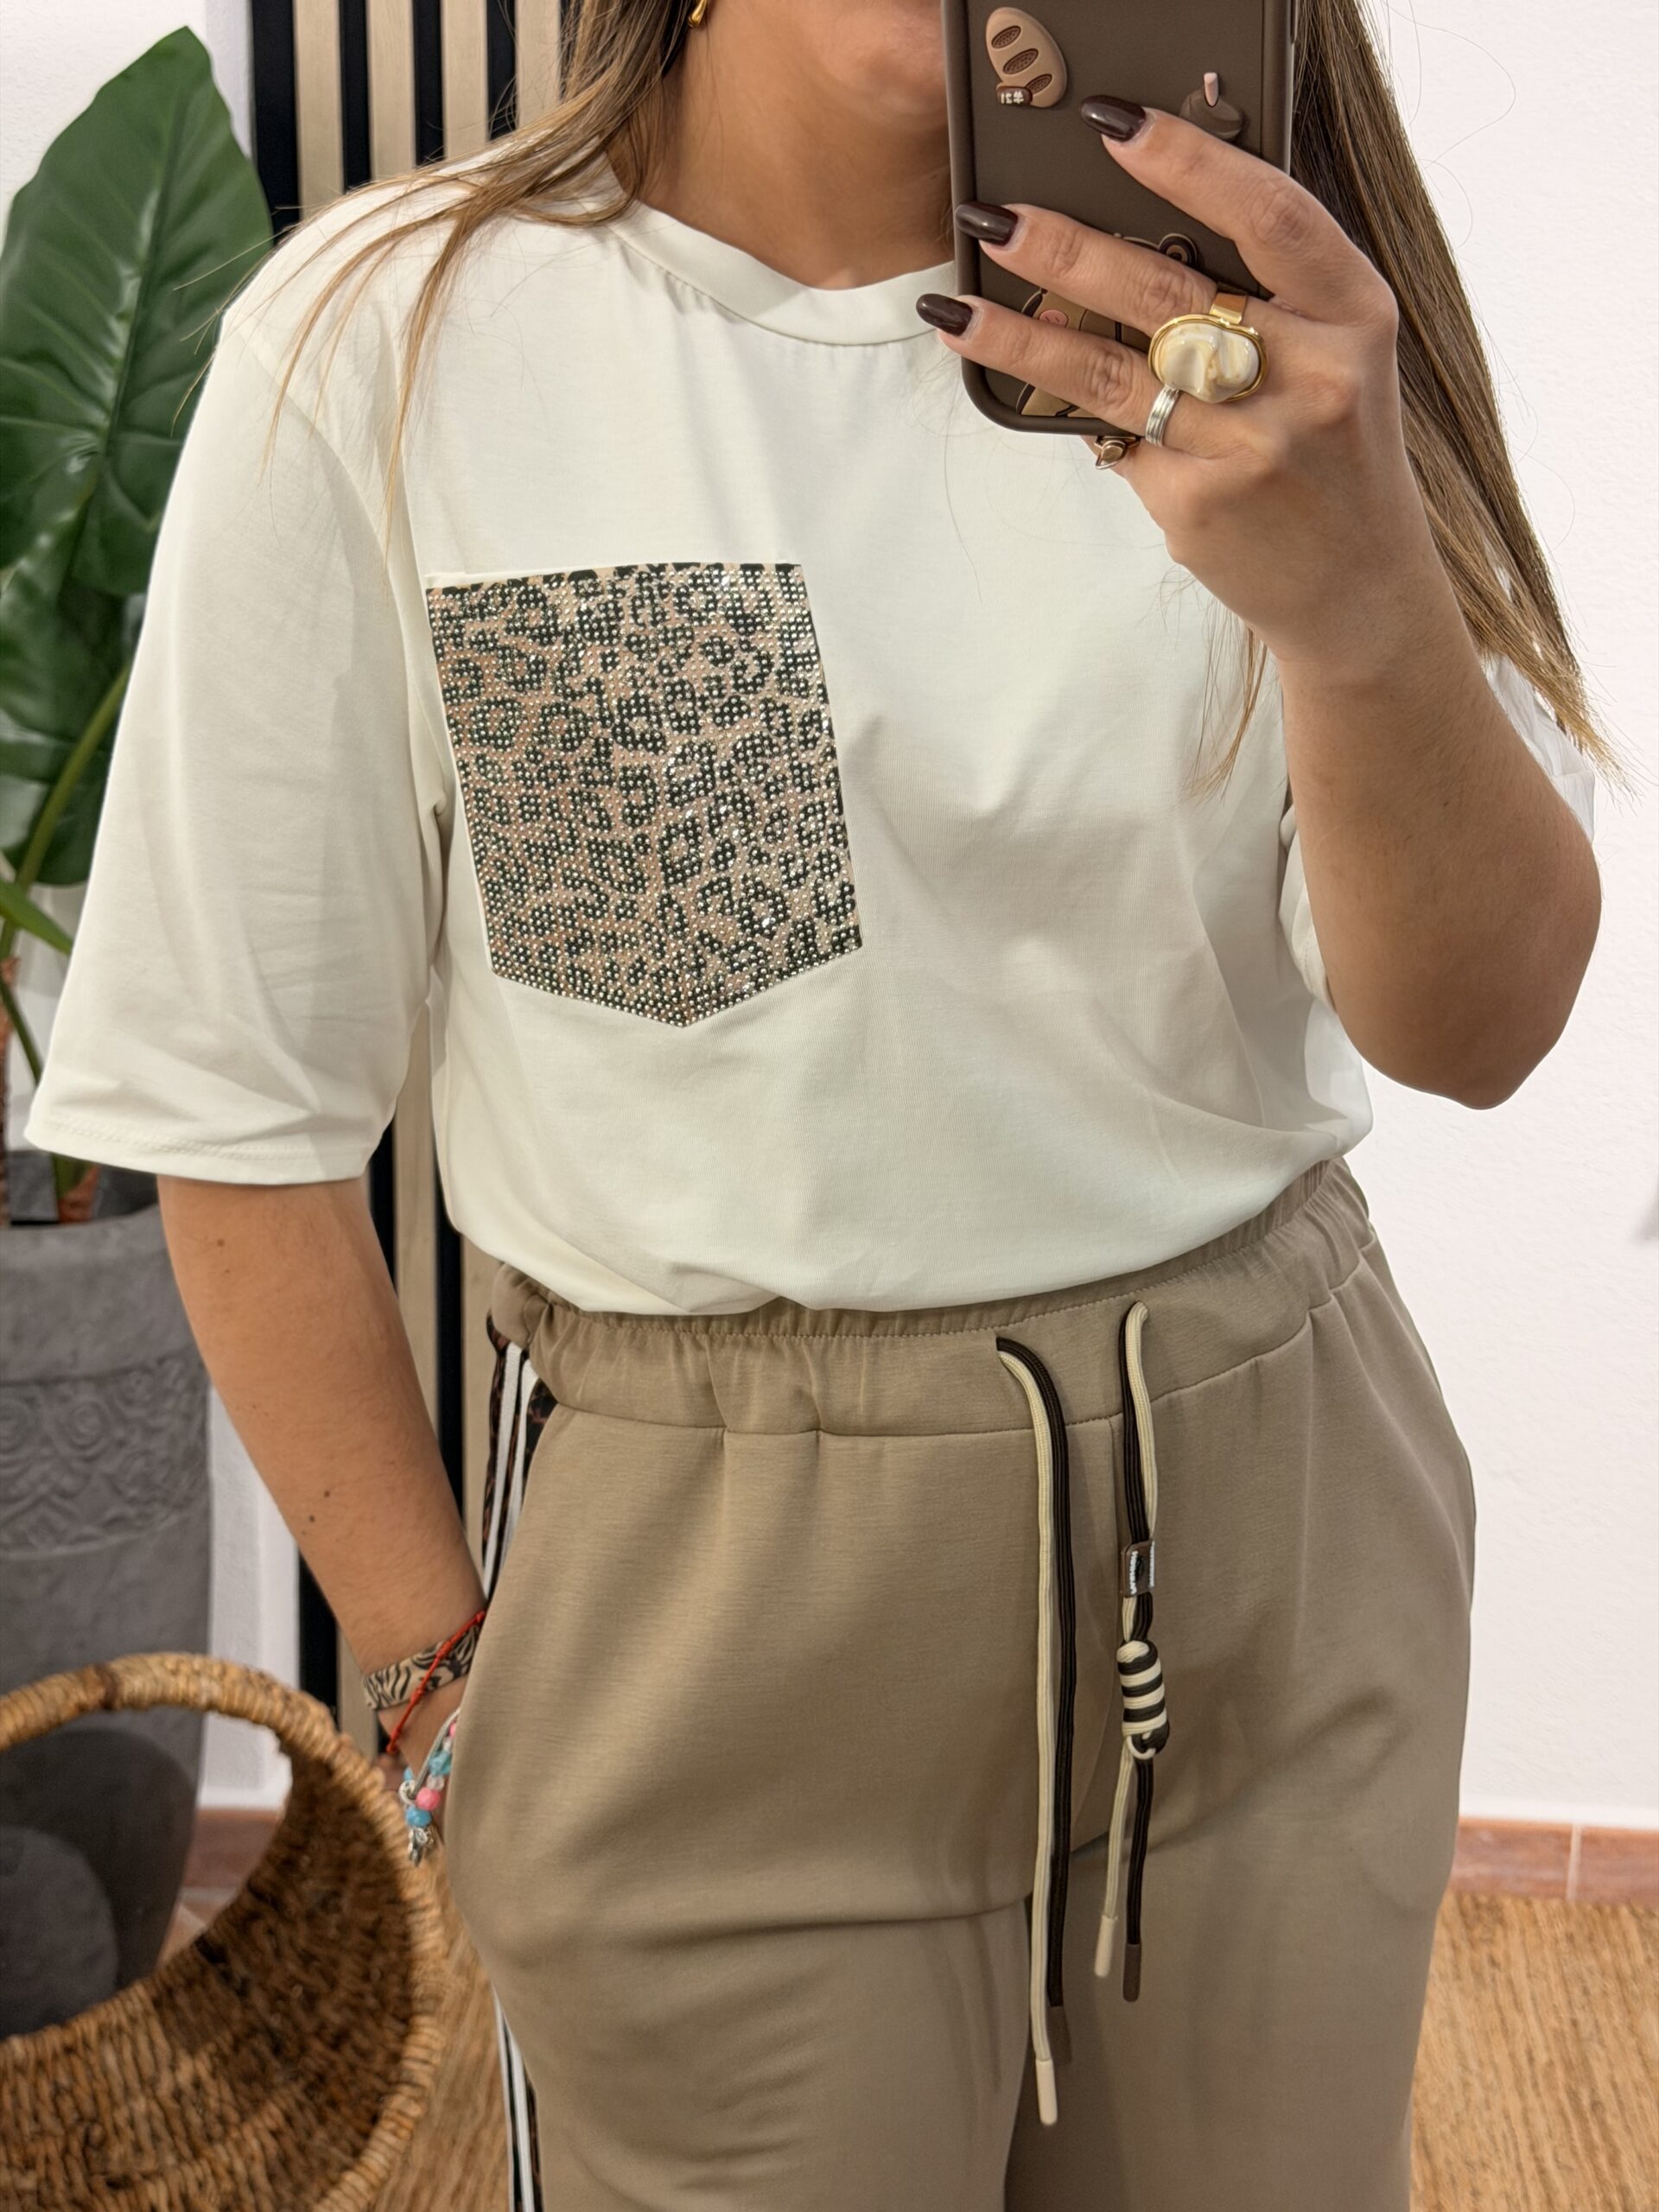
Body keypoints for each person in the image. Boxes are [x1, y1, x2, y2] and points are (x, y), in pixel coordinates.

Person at [25, 2, 1607, 2207]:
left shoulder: (1263, 323)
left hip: (1276, 1566)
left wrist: (1361, 612)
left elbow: (1484, 1026)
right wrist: (433, 1672)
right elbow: (233, 1108)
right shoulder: (399, 342)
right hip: (719, 1623)